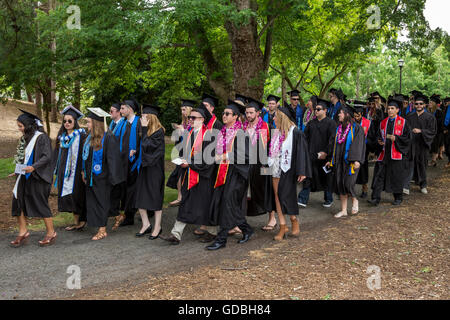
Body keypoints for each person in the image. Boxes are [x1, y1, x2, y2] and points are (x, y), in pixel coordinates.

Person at [163, 105, 216, 245]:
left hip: (203, 177)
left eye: (193, 117)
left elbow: (208, 160)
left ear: (203, 119)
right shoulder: (189, 133)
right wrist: (181, 160)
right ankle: (176, 234)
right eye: (190, 117)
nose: (190, 119)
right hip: (189, 175)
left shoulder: (209, 136)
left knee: (204, 205)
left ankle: (212, 232)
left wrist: (190, 163)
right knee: (185, 204)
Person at [206, 101, 252, 250]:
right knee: (227, 204)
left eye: (227, 114)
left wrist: (226, 156)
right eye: (223, 113)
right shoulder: (222, 132)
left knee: (227, 202)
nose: (224, 116)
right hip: (222, 172)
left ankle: (221, 239)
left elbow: (246, 155)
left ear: (236, 117)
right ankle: (246, 229)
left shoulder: (241, 133)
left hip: (237, 173)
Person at [10, 110, 55, 247]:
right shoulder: (25, 138)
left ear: (29, 125)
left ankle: (51, 232)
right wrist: (17, 171)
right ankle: (23, 231)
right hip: (24, 175)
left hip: (38, 176)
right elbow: (24, 158)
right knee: (17, 200)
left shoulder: (41, 138)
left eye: (21, 126)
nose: (19, 129)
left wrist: (33, 167)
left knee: (40, 202)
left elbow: (47, 157)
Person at [268, 106, 311, 240]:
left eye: (275, 116)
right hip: (275, 169)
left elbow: (302, 153)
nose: (273, 118)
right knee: (277, 197)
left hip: (288, 170)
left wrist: (302, 171)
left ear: (282, 117)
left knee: (286, 196)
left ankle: (293, 220)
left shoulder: (296, 133)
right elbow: (270, 152)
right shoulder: (276, 133)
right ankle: (282, 226)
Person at [82, 108, 125, 240]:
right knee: (94, 201)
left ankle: (102, 230)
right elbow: (85, 157)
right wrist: (83, 172)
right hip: (91, 176)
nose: (87, 125)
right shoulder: (90, 137)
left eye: (89, 122)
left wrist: (112, 179)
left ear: (96, 123)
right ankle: (118, 216)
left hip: (103, 177)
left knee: (101, 202)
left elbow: (113, 160)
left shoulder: (109, 137)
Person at [368, 98, 412, 206]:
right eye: (388, 108)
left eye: (392, 108)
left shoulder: (403, 122)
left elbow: (408, 138)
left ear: (397, 110)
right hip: (384, 153)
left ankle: (398, 197)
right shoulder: (383, 122)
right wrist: (379, 141)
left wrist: (397, 139)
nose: (390, 110)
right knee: (379, 175)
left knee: (396, 176)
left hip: (396, 154)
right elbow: (378, 135)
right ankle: (375, 198)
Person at [243, 97, 276, 231]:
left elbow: (273, 147)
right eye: (247, 113)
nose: (248, 115)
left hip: (264, 165)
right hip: (247, 164)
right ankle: (241, 220)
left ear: (258, 113)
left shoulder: (267, 127)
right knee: (247, 190)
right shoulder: (243, 127)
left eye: (251, 113)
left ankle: (272, 218)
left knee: (267, 189)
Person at [327, 106, 366, 218]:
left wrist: (356, 160)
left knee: (348, 183)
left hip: (350, 162)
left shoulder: (356, 128)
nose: (339, 115)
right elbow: (333, 144)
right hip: (339, 161)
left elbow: (359, 145)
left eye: (341, 113)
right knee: (340, 184)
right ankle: (344, 210)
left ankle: (355, 200)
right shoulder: (338, 129)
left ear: (347, 115)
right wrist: (331, 160)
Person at [53, 106, 87, 231]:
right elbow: (57, 154)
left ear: (75, 122)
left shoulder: (82, 136)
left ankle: (81, 221)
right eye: (65, 121)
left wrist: (84, 170)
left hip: (77, 171)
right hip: (64, 172)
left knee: (78, 195)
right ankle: (77, 222)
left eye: (70, 121)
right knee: (69, 197)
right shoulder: (61, 137)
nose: (67, 123)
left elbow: (86, 154)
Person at [134, 104, 166, 240]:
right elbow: (142, 146)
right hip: (145, 167)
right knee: (140, 195)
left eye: (144, 117)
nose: (142, 119)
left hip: (154, 170)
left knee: (155, 197)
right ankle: (146, 224)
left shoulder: (159, 132)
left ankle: (157, 226)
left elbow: (147, 146)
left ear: (150, 118)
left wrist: (144, 128)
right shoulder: (144, 131)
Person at [297, 98, 336, 208]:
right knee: (308, 176)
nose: (316, 111)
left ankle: (328, 199)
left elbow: (332, 140)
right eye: (315, 109)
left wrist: (326, 153)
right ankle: (302, 198)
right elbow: (305, 138)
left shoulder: (331, 123)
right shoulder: (311, 123)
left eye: (319, 109)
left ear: (325, 110)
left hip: (325, 156)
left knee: (326, 178)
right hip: (312, 155)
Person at [404, 94, 437, 194]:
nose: (418, 105)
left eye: (420, 104)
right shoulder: (409, 116)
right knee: (409, 164)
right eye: (416, 104)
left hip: (422, 144)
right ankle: (406, 186)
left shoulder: (430, 117)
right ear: (414, 105)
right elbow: (405, 130)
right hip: (412, 144)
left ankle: (423, 185)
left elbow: (432, 131)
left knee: (422, 164)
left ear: (424, 105)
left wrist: (421, 131)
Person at [118, 99, 142, 227]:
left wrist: (137, 151)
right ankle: (126, 213)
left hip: (134, 162)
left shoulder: (138, 123)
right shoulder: (123, 123)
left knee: (132, 189)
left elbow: (144, 141)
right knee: (125, 188)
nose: (120, 111)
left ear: (130, 109)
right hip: (123, 161)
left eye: (122, 108)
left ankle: (129, 216)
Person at [167, 99, 195, 207]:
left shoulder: (194, 121)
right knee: (178, 174)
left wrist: (184, 131)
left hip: (190, 152)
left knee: (187, 176)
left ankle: (187, 198)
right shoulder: (183, 122)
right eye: (181, 110)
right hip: (181, 151)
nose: (182, 112)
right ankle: (180, 197)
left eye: (184, 109)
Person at [108, 102, 129, 230]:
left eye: (112, 111)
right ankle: (115, 212)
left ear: (118, 112)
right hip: (113, 160)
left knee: (121, 188)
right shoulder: (112, 124)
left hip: (121, 160)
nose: (110, 113)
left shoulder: (124, 124)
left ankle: (122, 213)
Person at [353, 101, 378, 198]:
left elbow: (372, 136)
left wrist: (366, 140)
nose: (356, 118)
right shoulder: (351, 122)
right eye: (355, 116)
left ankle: (364, 189)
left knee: (363, 170)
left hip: (364, 149)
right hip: (353, 149)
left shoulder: (368, 123)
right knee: (352, 169)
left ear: (362, 114)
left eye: (358, 116)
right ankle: (350, 189)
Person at [429, 95, 444, 166]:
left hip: (437, 132)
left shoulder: (439, 111)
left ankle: (433, 160)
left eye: (431, 103)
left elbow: (441, 123)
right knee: (432, 146)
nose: (429, 104)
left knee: (435, 146)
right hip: (431, 132)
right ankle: (434, 160)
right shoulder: (430, 111)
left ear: (434, 104)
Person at [443, 97, 450, 168]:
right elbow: (444, 118)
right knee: (447, 146)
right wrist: (444, 128)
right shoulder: (446, 109)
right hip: (446, 131)